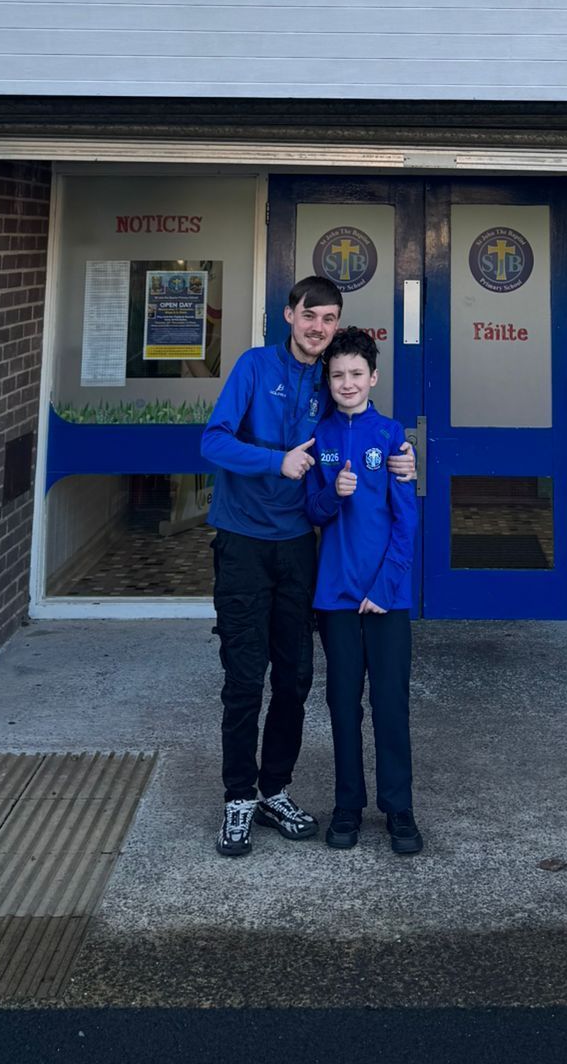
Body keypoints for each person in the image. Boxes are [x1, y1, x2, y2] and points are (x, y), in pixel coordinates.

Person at [199, 275, 414, 858]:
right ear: (289, 315)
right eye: (309, 315)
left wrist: (402, 455)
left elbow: (359, 421)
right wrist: (277, 461)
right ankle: (239, 798)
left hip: (298, 547)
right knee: (245, 678)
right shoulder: (252, 367)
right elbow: (212, 444)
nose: (318, 328)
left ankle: (276, 788)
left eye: (329, 318)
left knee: (293, 678)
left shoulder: (328, 379)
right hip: (243, 542)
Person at [303, 326, 422, 856]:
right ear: (326, 382)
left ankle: (400, 809)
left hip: (386, 599)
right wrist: (333, 493)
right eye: (337, 375)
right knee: (342, 705)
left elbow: (407, 521)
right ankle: (347, 805)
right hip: (335, 599)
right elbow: (311, 511)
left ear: (373, 378)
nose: (347, 383)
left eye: (356, 374)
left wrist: (387, 585)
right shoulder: (319, 436)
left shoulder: (393, 436)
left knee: (391, 705)